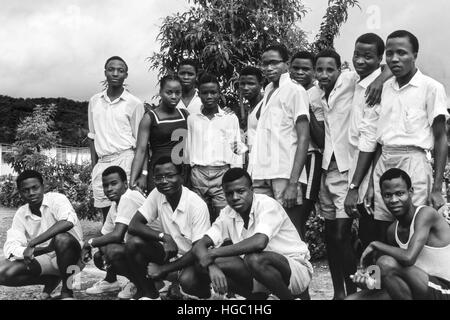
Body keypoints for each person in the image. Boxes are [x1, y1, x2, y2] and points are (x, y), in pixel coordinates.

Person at [314, 48, 390, 299]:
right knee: (331, 236)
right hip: (329, 169)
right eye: (320, 69)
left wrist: (380, 79)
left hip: (351, 168)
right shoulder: (315, 94)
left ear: (340, 68)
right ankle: (338, 292)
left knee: (342, 234)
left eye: (330, 69)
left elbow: (385, 67)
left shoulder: (351, 80)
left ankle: (353, 292)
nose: (325, 74)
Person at [177, 168, 313, 300]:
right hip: (259, 273)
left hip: (295, 270)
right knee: (201, 267)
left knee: (254, 259)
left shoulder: (267, 205)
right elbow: (200, 245)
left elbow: (259, 242)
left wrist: (212, 254)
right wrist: (211, 266)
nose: (235, 197)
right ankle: (261, 299)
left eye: (240, 191)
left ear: (251, 190)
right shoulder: (227, 213)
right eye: (229, 193)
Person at [372, 30, 449, 240]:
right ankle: (385, 272)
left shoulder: (431, 88)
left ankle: (416, 273)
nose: (395, 58)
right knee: (383, 228)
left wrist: (436, 188)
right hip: (385, 160)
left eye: (402, 53)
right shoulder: (384, 88)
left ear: (415, 54)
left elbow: (441, 138)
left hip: (414, 161)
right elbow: (379, 140)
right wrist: (371, 181)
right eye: (389, 53)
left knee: (414, 227)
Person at [347, 168, 450, 300]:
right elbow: (391, 277)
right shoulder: (392, 230)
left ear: (411, 192)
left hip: (445, 290)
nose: (394, 200)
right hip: (419, 288)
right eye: (388, 195)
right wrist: (366, 282)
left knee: (384, 262)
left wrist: (376, 244)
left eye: (400, 193)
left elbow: (408, 258)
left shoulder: (426, 214)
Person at [125, 156, 211, 300]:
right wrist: (164, 237)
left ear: (181, 176)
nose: (164, 181)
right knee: (133, 243)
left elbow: (198, 251)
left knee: (188, 281)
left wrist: (163, 269)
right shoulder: (158, 193)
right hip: (170, 253)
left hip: (193, 260)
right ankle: (150, 294)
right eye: (159, 177)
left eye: (170, 176)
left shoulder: (196, 205)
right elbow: (133, 225)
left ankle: (206, 294)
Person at [249, 44, 310, 237]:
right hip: (261, 172)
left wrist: (294, 183)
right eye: (265, 64)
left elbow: (303, 137)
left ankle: (300, 267)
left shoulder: (295, 90)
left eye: (274, 63)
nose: (269, 68)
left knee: (291, 231)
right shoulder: (267, 90)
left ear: (287, 64)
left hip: (284, 173)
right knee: (265, 230)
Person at [0, 170, 84, 300]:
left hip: (74, 257)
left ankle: (67, 292)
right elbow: (10, 248)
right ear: (20, 192)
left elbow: (67, 222)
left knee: (62, 239)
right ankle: (51, 279)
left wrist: (33, 243)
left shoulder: (57, 199)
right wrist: (43, 249)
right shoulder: (21, 213)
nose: (31, 193)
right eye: (25, 190)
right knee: (3, 272)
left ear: (43, 186)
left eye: (35, 187)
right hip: (45, 257)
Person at [83, 166, 161, 299]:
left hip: (159, 250)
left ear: (125, 184)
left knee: (113, 251)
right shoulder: (115, 204)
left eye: (114, 183)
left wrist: (88, 243)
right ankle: (122, 283)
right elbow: (104, 235)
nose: (109, 189)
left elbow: (117, 234)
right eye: (105, 185)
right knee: (100, 256)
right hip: (140, 249)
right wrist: (100, 248)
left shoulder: (129, 197)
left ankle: (150, 290)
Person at [88, 56, 145, 221]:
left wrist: (143, 173)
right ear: (105, 72)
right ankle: (107, 243)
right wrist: (94, 167)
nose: (115, 73)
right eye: (111, 69)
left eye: (120, 70)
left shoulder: (134, 103)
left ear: (126, 75)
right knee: (106, 213)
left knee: (126, 210)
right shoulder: (94, 101)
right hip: (102, 162)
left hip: (125, 160)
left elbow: (141, 143)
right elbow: (92, 136)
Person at [343, 33, 387, 250]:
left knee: (372, 237)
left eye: (368, 56)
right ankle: (372, 283)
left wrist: (355, 187)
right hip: (358, 166)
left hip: (370, 170)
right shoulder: (358, 81)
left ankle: (375, 282)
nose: (360, 61)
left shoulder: (376, 89)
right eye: (356, 55)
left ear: (379, 58)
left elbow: (369, 141)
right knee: (368, 235)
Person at [186, 73, 243, 222]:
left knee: (224, 215)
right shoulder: (192, 119)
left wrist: (236, 175)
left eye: (213, 92)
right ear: (199, 94)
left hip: (222, 172)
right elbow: (188, 148)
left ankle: (224, 244)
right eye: (205, 93)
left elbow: (236, 149)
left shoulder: (229, 118)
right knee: (198, 215)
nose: (209, 96)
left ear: (219, 93)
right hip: (198, 172)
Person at [129, 75, 188, 193]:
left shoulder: (185, 114)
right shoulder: (150, 117)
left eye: (178, 93)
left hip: (182, 172)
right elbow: (141, 150)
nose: (174, 97)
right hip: (160, 174)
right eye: (169, 92)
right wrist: (134, 179)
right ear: (160, 92)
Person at [290, 51, 325, 239]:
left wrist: (307, 107)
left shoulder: (317, 94)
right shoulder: (288, 90)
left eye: (306, 69)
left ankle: (301, 261)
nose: (300, 72)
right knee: (289, 214)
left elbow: (321, 139)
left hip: (311, 157)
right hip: (291, 157)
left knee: (301, 212)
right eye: (296, 68)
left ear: (313, 71)